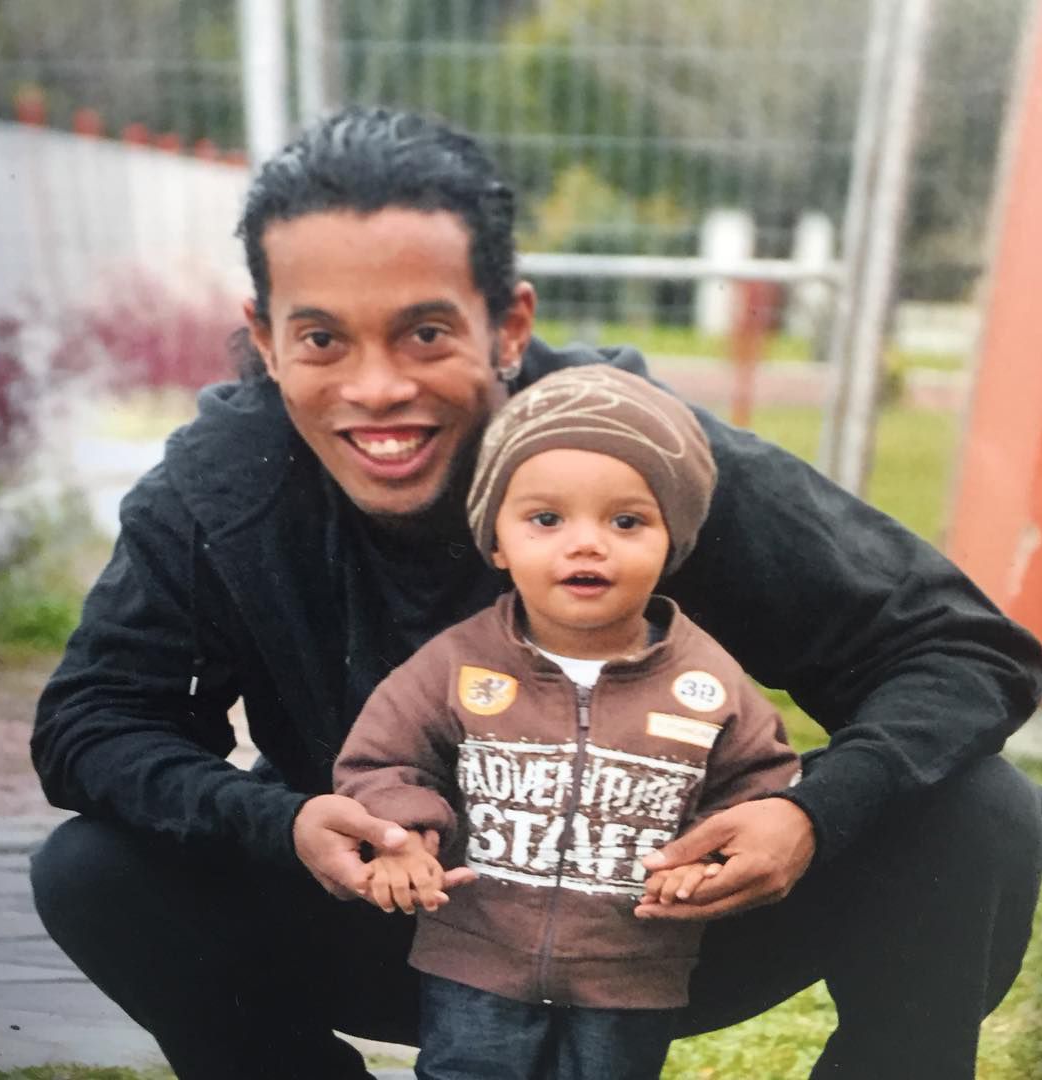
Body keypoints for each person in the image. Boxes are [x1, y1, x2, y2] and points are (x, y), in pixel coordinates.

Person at [29, 105, 1042, 1080]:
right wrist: (283, 824)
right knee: (94, 872)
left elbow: (963, 648)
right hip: (392, 918)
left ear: (509, 324)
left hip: (653, 930)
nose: (377, 388)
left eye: (426, 333)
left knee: (978, 814)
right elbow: (94, 721)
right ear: (265, 338)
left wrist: (811, 816)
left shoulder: (638, 452)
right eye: (323, 339)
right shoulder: (217, 487)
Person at [333, 364, 803, 1080]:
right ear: (498, 542)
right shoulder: (457, 662)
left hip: (631, 968)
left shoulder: (707, 681)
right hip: (477, 957)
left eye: (626, 521)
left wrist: (709, 862)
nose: (587, 544)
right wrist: (403, 835)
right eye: (546, 519)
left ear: (671, 541)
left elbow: (760, 790)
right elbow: (382, 759)